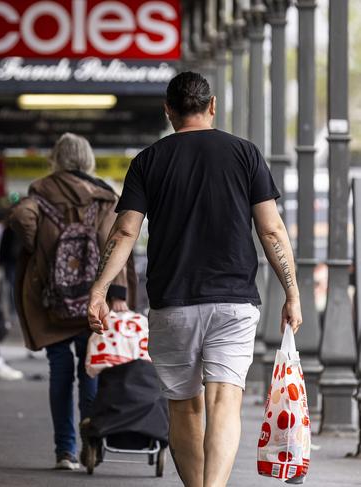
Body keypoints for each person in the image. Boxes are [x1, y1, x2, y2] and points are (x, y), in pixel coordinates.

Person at [88, 72, 302, 487]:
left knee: (184, 407)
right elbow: (272, 230)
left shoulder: (149, 160)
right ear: (213, 106)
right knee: (225, 403)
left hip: (173, 303)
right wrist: (292, 292)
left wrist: (99, 290)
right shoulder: (245, 153)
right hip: (234, 301)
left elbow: (125, 232)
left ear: (168, 110)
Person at [10, 133, 132, 471]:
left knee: (60, 371)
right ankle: (91, 440)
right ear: (88, 159)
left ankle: (64, 450)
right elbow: (115, 243)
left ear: (57, 158)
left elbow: (21, 218)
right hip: (95, 300)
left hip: (54, 299)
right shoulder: (105, 197)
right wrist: (118, 294)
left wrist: (42, 251)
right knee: (90, 369)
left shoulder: (42, 191)